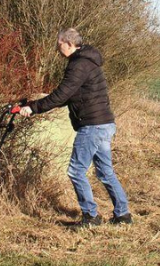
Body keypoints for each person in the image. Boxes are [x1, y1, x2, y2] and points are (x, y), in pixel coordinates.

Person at [19, 29, 132, 228]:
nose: (57, 47)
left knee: (76, 171)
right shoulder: (86, 61)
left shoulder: (79, 64)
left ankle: (90, 217)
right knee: (105, 172)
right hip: (103, 123)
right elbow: (70, 95)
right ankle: (122, 215)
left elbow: (62, 94)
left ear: (69, 44)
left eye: (59, 43)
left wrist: (33, 108)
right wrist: (33, 104)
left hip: (92, 126)